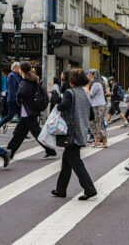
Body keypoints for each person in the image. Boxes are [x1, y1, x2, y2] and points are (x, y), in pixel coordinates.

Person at [52, 68, 97, 201]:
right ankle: (60, 189)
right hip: (81, 130)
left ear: (71, 80)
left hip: (71, 132)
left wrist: (56, 102)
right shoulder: (84, 94)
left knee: (76, 162)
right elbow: (91, 115)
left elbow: (63, 106)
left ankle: (89, 189)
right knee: (67, 161)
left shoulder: (69, 93)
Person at [6, 62, 57, 159]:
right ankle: (9, 152)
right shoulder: (33, 80)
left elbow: (19, 94)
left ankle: (9, 152)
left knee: (30, 133)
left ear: (21, 70)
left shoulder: (25, 82)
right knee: (19, 134)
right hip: (30, 112)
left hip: (28, 113)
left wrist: (19, 102)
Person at [0, 62, 21, 136]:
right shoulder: (12, 76)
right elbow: (12, 89)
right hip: (13, 100)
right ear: (14, 68)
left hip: (16, 100)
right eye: (19, 67)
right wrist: (16, 99)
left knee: (21, 116)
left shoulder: (16, 76)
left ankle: (20, 132)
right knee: (10, 116)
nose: (19, 69)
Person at [87, 69, 108, 148]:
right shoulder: (95, 84)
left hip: (99, 106)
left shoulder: (96, 84)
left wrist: (87, 86)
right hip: (96, 106)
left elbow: (90, 95)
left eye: (89, 75)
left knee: (99, 123)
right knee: (93, 123)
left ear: (94, 75)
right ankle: (97, 141)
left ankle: (104, 142)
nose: (88, 76)